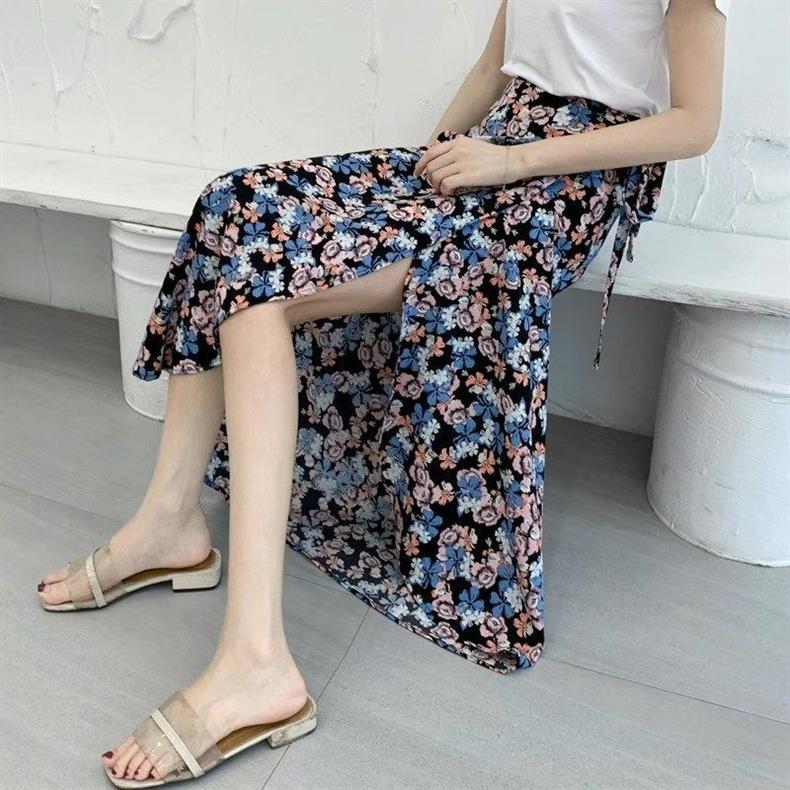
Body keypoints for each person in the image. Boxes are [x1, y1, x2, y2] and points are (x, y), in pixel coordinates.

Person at [36, 0, 729, 785]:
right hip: (486, 150)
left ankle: (255, 662)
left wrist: (510, 165)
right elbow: (494, 66)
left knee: (259, 290)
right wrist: (430, 168)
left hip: (560, 192)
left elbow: (694, 124)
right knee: (234, 205)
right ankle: (168, 521)